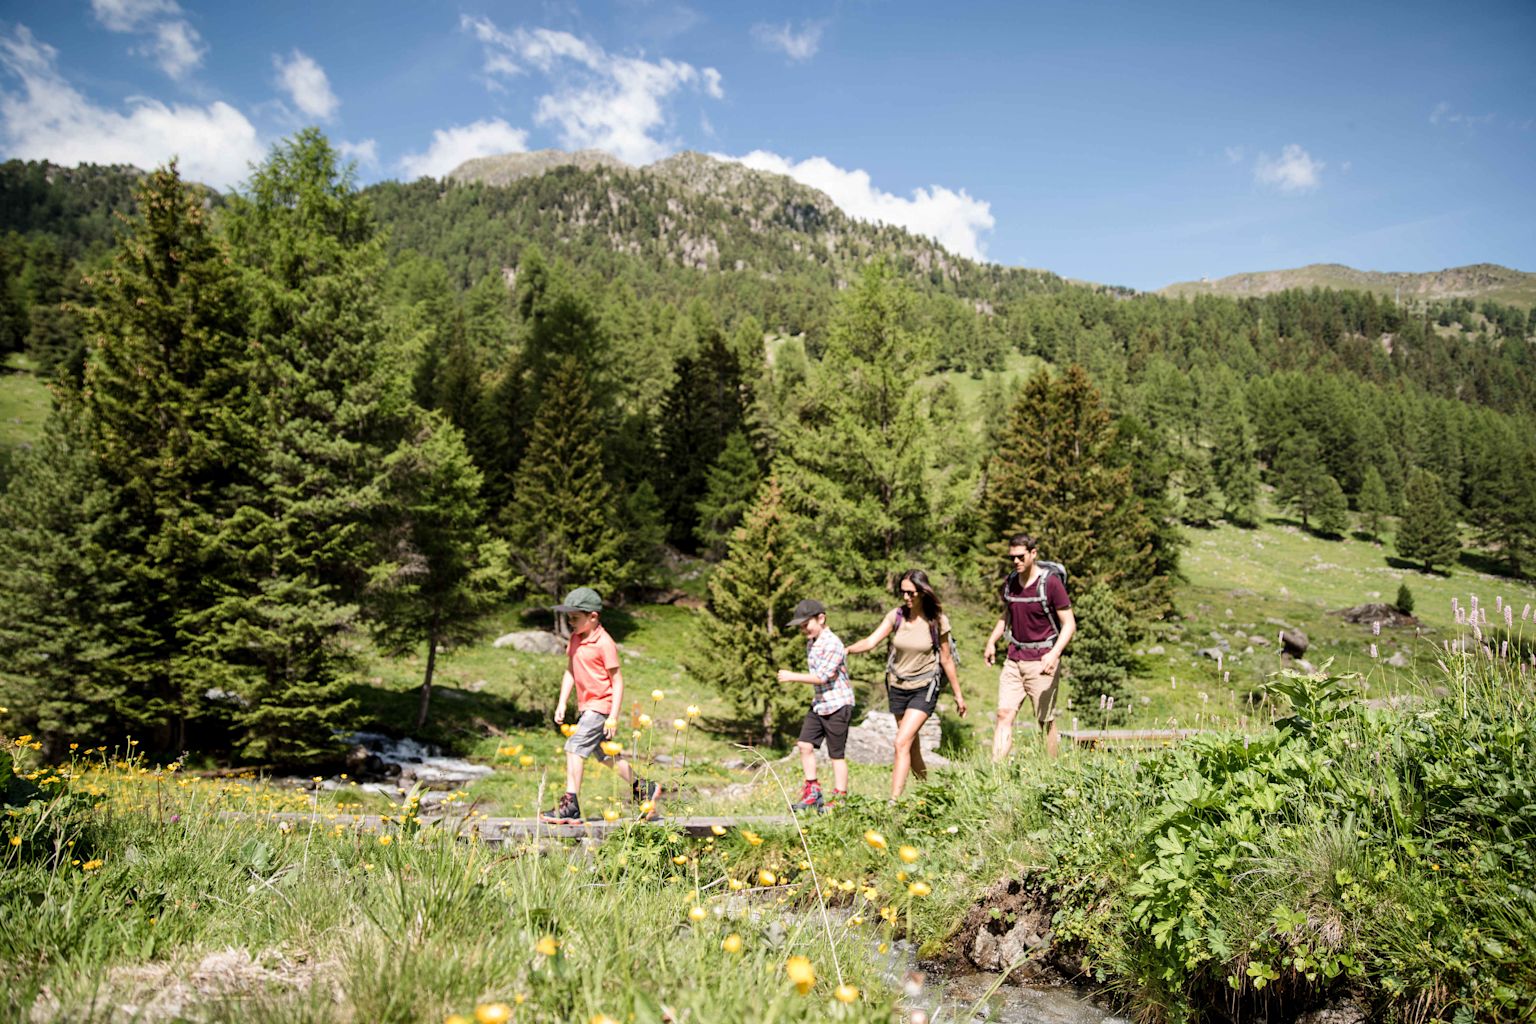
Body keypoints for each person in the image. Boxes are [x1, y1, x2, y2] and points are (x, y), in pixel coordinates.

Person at [541, 586, 660, 824]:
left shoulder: (605, 643)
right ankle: (645, 788)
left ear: (592, 617)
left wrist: (613, 716)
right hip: (586, 707)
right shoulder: (575, 639)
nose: (570, 622)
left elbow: (617, 681)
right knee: (605, 755)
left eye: (575, 618)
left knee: (574, 747)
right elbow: (570, 671)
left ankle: (570, 805)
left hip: (601, 706)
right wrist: (562, 702)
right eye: (569, 618)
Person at [847, 569, 968, 800]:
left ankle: (893, 802)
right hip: (898, 686)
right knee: (910, 746)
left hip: (924, 687)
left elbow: (946, 659)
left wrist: (958, 695)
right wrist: (848, 649)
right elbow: (872, 640)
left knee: (901, 742)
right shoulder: (897, 616)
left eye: (911, 593)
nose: (906, 597)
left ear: (923, 592)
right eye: (903, 592)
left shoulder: (937, 620)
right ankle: (929, 794)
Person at [984, 534, 1076, 761]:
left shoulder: (1050, 584)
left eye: (1020, 556)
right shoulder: (1011, 582)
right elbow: (1007, 615)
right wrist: (991, 641)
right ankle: (996, 773)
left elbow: (1069, 624)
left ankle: (1053, 771)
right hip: (1014, 658)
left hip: (1042, 659)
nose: (1016, 561)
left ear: (1033, 554)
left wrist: (1054, 654)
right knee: (1003, 714)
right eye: (1012, 557)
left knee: (1044, 719)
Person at [776, 598, 855, 813]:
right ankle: (813, 791)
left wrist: (792, 676)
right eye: (800, 626)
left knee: (836, 754)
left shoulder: (833, 643)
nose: (803, 629)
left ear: (821, 618)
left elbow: (822, 677)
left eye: (806, 624)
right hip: (820, 704)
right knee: (804, 744)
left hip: (838, 704)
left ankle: (840, 798)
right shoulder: (812, 642)